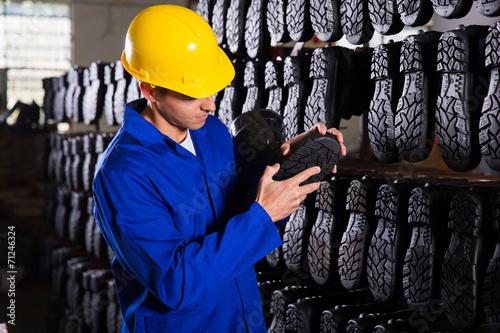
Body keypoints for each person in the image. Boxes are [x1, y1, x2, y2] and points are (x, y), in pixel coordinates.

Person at [92, 4, 346, 333]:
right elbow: (174, 283)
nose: (211, 105)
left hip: (242, 318)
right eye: (192, 95)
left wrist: (283, 167)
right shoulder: (123, 174)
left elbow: (237, 209)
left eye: (211, 88)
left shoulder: (210, 131)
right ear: (149, 89)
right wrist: (263, 215)